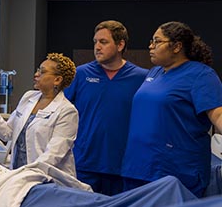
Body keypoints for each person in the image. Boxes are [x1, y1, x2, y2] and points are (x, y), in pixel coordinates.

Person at [121, 21, 222, 197]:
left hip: (174, 170)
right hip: (137, 166)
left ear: (176, 46)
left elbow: (218, 115)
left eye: (157, 41)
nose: (150, 46)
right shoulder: (154, 73)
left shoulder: (202, 75)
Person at [64, 20, 148, 195]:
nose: (97, 47)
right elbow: (61, 112)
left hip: (123, 166)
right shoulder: (80, 74)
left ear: (120, 45)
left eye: (103, 42)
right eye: (95, 42)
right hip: (85, 163)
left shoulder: (141, 78)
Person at [0, 53, 78, 177]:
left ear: (57, 80)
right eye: (37, 70)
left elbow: (53, 155)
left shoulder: (66, 111)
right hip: (19, 174)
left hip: (47, 178)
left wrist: (27, 174)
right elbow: (7, 133)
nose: (36, 74)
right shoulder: (28, 97)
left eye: (42, 72)